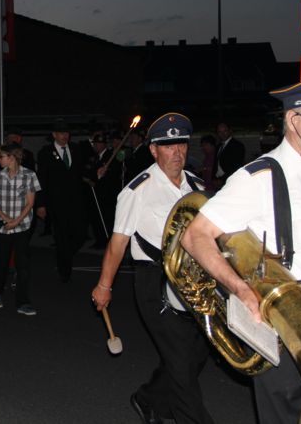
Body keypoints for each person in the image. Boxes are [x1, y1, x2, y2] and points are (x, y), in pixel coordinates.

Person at [181, 76, 301, 424]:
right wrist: (240, 289)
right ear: (294, 120)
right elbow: (196, 236)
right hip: (284, 329)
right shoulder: (259, 177)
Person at [91, 113, 215, 424]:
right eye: (168, 146)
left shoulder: (197, 186)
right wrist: (104, 286)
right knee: (181, 361)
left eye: (181, 145)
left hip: (194, 280)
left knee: (198, 352)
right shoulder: (137, 190)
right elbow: (118, 243)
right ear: (153, 150)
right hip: (155, 281)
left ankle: (148, 399)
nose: (177, 152)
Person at [0, 142, 41, 316]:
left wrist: (16, 221)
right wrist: (5, 217)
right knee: (2, 261)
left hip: (22, 226)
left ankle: (23, 302)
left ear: (12, 157)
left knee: (23, 265)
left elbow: (30, 203)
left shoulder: (29, 175)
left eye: (1, 156)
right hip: (4, 227)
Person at [36, 119, 88, 282]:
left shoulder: (76, 149)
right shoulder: (45, 153)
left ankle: (65, 256)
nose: (64, 136)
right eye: (61, 133)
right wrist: (41, 204)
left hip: (76, 201)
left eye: (66, 133)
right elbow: (41, 179)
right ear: (54, 135)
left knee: (80, 234)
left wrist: (96, 173)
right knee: (62, 236)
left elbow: (82, 171)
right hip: (56, 203)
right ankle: (64, 271)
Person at [213, 122, 245, 188]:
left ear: (230, 131)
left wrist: (222, 180)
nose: (222, 134)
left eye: (225, 131)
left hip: (230, 181)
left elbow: (236, 166)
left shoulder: (237, 145)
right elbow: (216, 163)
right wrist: (213, 178)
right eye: (219, 132)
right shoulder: (218, 146)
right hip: (218, 181)